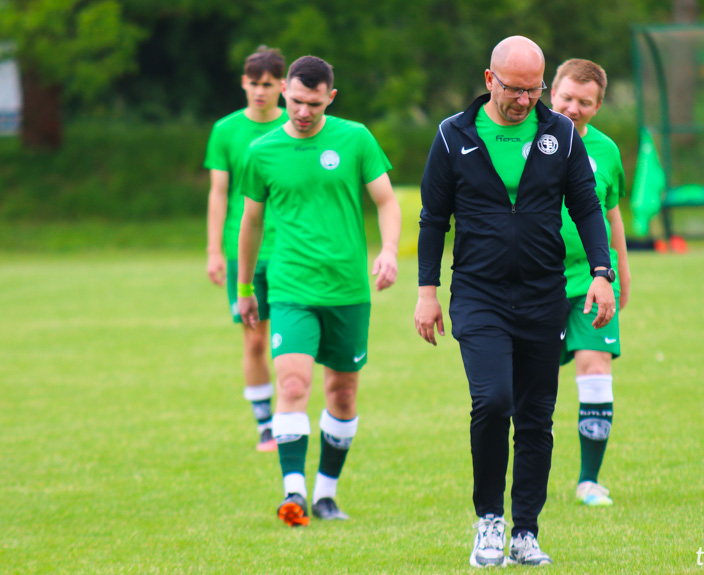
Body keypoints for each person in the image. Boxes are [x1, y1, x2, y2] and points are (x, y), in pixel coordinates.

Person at [414, 36, 616, 567]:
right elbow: (433, 218)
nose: (524, 99)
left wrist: (602, 273)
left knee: (535, 416)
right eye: (513, 89)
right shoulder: (453, 136)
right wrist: (426, 292)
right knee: (493, 401)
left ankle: (525, 530)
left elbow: (588, 208)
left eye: (534, 89)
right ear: (489, 81)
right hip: (479, 296)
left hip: (542, 295)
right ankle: (488, 521)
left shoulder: (560, 136)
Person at [237, 55, 401, 526]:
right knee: (292, 384)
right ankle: (294, 495)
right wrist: (247, 286)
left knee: (342, 394)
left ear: (330, 97)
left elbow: (386, 201)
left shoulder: (355, 139)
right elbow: (250, 223)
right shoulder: (262, 151)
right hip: (290, 287)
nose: (302, 112)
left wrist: (389, 250)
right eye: (295, 100)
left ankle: (326, 494)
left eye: (313, 103)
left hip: (349, 289)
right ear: (284, 92)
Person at [550, 59, 631, 507]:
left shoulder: (606, 152)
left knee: (595, 369)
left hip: (590, 281)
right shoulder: (526, 142)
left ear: (598, 107)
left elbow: (611, 213)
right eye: (566, 97)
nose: (573, 108)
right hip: (535, 283)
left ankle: (588, 479)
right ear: (550, 93)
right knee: (528, 383)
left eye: (585, 102)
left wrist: (620, 271)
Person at [204, 46, 288, 452]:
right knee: (255, 340)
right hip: (245, 253)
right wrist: (214, 250)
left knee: (291, 337)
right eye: (253, 84)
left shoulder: (298, 125)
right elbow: (219, 193)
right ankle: (265, 425)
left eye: (268, 85)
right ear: (243, 82)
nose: (260, 91)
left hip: (292, 249)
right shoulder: (226, 131)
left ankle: (292, 412)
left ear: (283, 86)